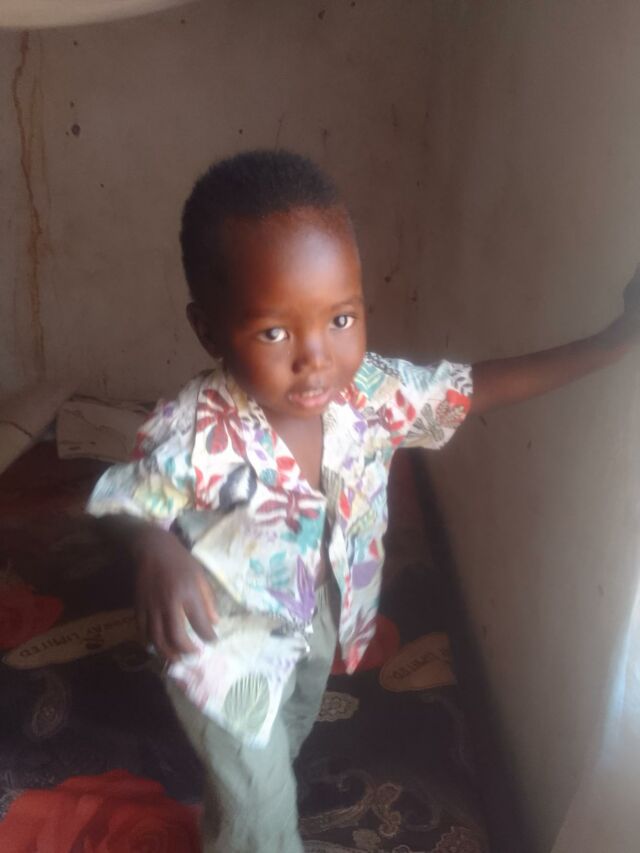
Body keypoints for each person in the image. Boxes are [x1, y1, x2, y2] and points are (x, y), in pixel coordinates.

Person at [88, 149, 640, 853]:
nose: (316, 357)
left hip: (320, 617)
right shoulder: (194, 430)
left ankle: (237, 819)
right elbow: (122, 498)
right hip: (221, 643)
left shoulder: (373, 395)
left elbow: (475, 386)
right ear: (209, 329)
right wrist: (155, 547)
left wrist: (614, 343)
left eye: (341, 319)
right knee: (262, 802)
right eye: (274, 331)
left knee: (282, 741)